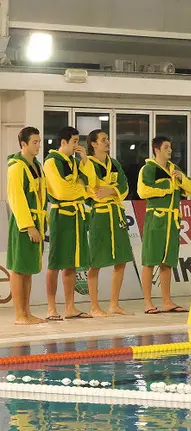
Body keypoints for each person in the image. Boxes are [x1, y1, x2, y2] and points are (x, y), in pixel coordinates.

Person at [138, 136, 191, 314]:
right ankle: (148, 302)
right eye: (166, 147)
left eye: (170, 147)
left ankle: (167, 301)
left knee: (167, 262)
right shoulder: (149, 169)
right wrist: (167, 188)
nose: (170, 150)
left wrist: (181, 179)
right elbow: (142, 191)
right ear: (156, 149)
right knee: (149, 261)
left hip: (173, 220)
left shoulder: (174, 168)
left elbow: (190, 189)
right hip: (156, 218)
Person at [44, 126, 96, 320]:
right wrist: (82, 190)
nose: (77, 145)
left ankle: (70, 307)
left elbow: (91, 183)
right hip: (62, 215)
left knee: (72, 264)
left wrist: (85, 160)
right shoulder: (51, 162)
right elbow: (61, 192)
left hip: (77, 215)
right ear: (63, 142)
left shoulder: (74, 162)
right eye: (74, 141)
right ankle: (51, 308)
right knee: (56, 262)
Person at [83, 129, 133, 317]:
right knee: (95, 261)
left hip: (116, 213)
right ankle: (94, 306)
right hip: (100, 214)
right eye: (103, 140)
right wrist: (105, 191)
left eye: (108, 139)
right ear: (93, 144)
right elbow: (91, 188)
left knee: (121, 259)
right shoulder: (87, 164)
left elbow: (124, 186)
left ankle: (114, 304)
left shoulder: (115, 164)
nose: (107, 142)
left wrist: (111, 190)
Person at [7, 126, 47, 325]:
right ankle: (19, 314)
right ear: (23, 144)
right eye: (35, 142)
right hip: (24, 224)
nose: (39, 145)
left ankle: (27, 312)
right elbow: (16, 199)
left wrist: (42, 223)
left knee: (29, 269)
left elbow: (42, 196)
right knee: (19, 268)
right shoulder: (16, 167)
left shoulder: (37, 166)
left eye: (39, 141)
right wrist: (28, 226)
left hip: (37, 222)